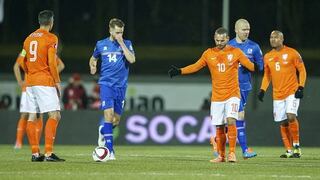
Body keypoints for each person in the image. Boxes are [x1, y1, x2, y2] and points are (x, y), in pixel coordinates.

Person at [168, 27, 257, 163]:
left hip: (233, 94)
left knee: (231, 120)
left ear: (228, 39)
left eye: (222, 40)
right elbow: (196, 66)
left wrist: (257, 65)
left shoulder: (236, 52)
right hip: (217, 97)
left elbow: (251, 66)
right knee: (219, 126)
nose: (219, 43)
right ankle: (221, 156)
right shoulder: (208, 54)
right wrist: (180, 71)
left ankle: (232, 153)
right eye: (217, 40)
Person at [20, 10, 65, 162]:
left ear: (39, 22)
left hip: (31, 82)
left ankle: (34, 153)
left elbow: (21, 61)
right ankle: (48, 153)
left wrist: (29, 73)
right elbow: (52, 62)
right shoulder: (51, 37)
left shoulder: (28, 39)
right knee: (54, 115)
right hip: (44, 81)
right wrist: (57, 81)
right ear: (51, 22)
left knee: (33, 116)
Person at [214, 19, 263, 159]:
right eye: (243, 29)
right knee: (238, 117)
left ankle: (217, 142)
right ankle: (244, 150)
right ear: (236, 30)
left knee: (230, 120)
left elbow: (260, 66)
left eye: (248, 29)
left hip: (245, 87)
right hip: (231, 87)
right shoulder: (228, 45)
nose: (246, 32)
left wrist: (254, 66)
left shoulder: (254, 47)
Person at [89, 18, 135, 160]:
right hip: (106, 84)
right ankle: (110, 150)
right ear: (110, 30)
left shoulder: (127, 44)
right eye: (116, 32)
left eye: (121, 32)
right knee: (108, 116)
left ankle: (103, 131)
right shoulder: (101, 44)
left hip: (121, 86)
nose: (119, 35)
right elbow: (93, 58)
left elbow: (132, 59)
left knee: (115, 121)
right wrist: (93, 65)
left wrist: (121, 43)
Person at [257, 30, 306, 158]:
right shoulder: (267, 56)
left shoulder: (292, 53)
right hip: (277, 94)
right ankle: (289, 150)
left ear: (282, 39)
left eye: (276, 37)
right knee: (283, 122)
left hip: (292, 91)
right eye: (271, 37)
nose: (273, 39)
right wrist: (262, 89)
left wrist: (301, 87)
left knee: (291, 116)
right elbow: (267, 75)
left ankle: (296, 147)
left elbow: (302, 70)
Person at [13, 55, 64, 149]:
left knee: (35, 115)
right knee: (50, 114)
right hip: (42, 85)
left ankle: (35, 148)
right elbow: (17, 65)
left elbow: (60, 65)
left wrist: (29, 73)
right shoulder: (47, 45)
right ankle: (23, 143)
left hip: (32, 84)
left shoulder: (27, 46)